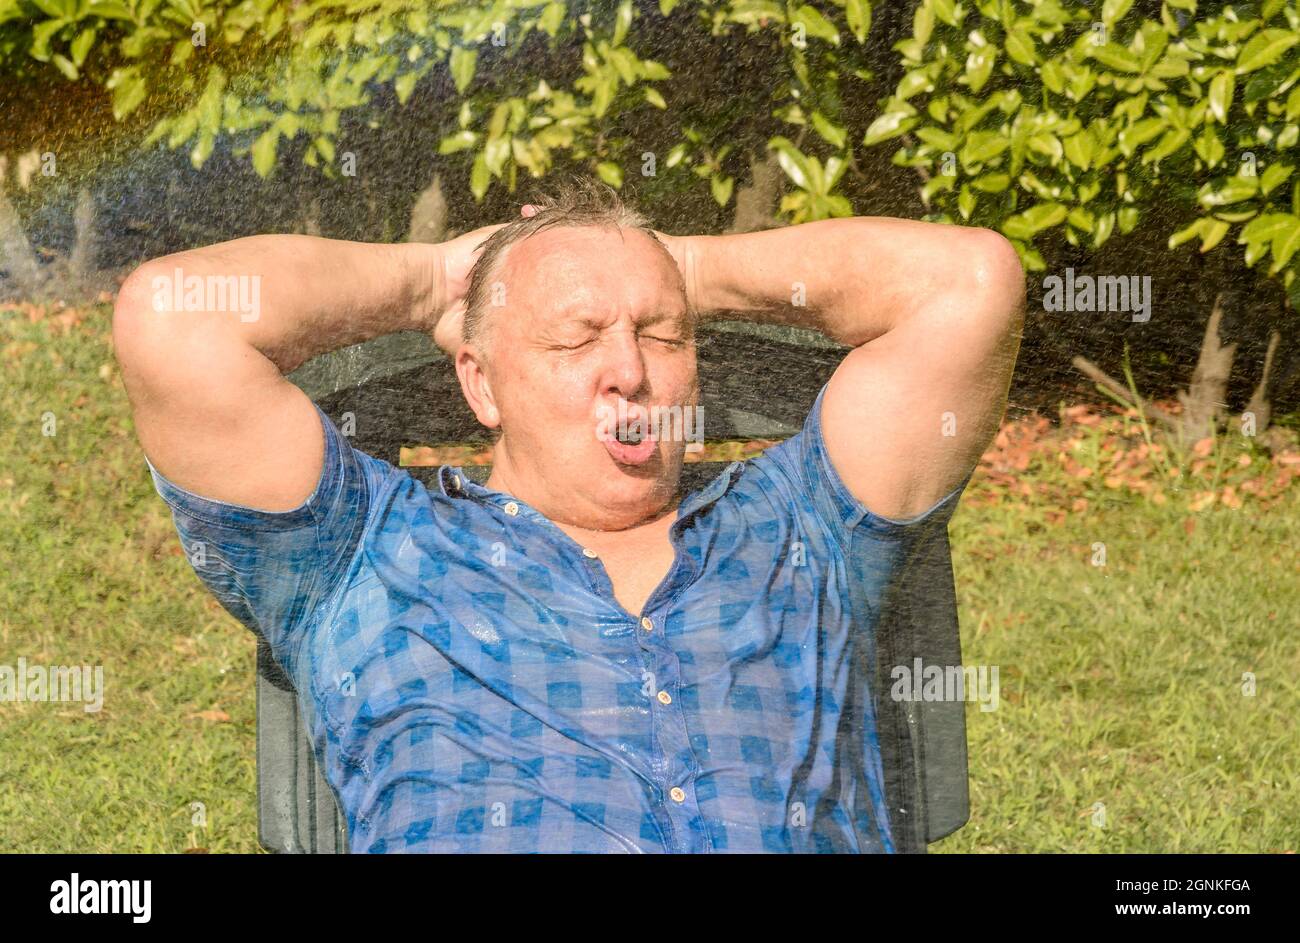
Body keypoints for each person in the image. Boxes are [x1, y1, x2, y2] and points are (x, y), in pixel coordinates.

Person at [113, 177, 1024, 853]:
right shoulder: (366, 552)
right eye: (574, 338)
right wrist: (433, 281)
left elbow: (970, 282)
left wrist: (682, 266)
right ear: (480, 383)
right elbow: (172, 319)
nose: (629, 370)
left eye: (662, 334)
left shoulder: (801, 526)